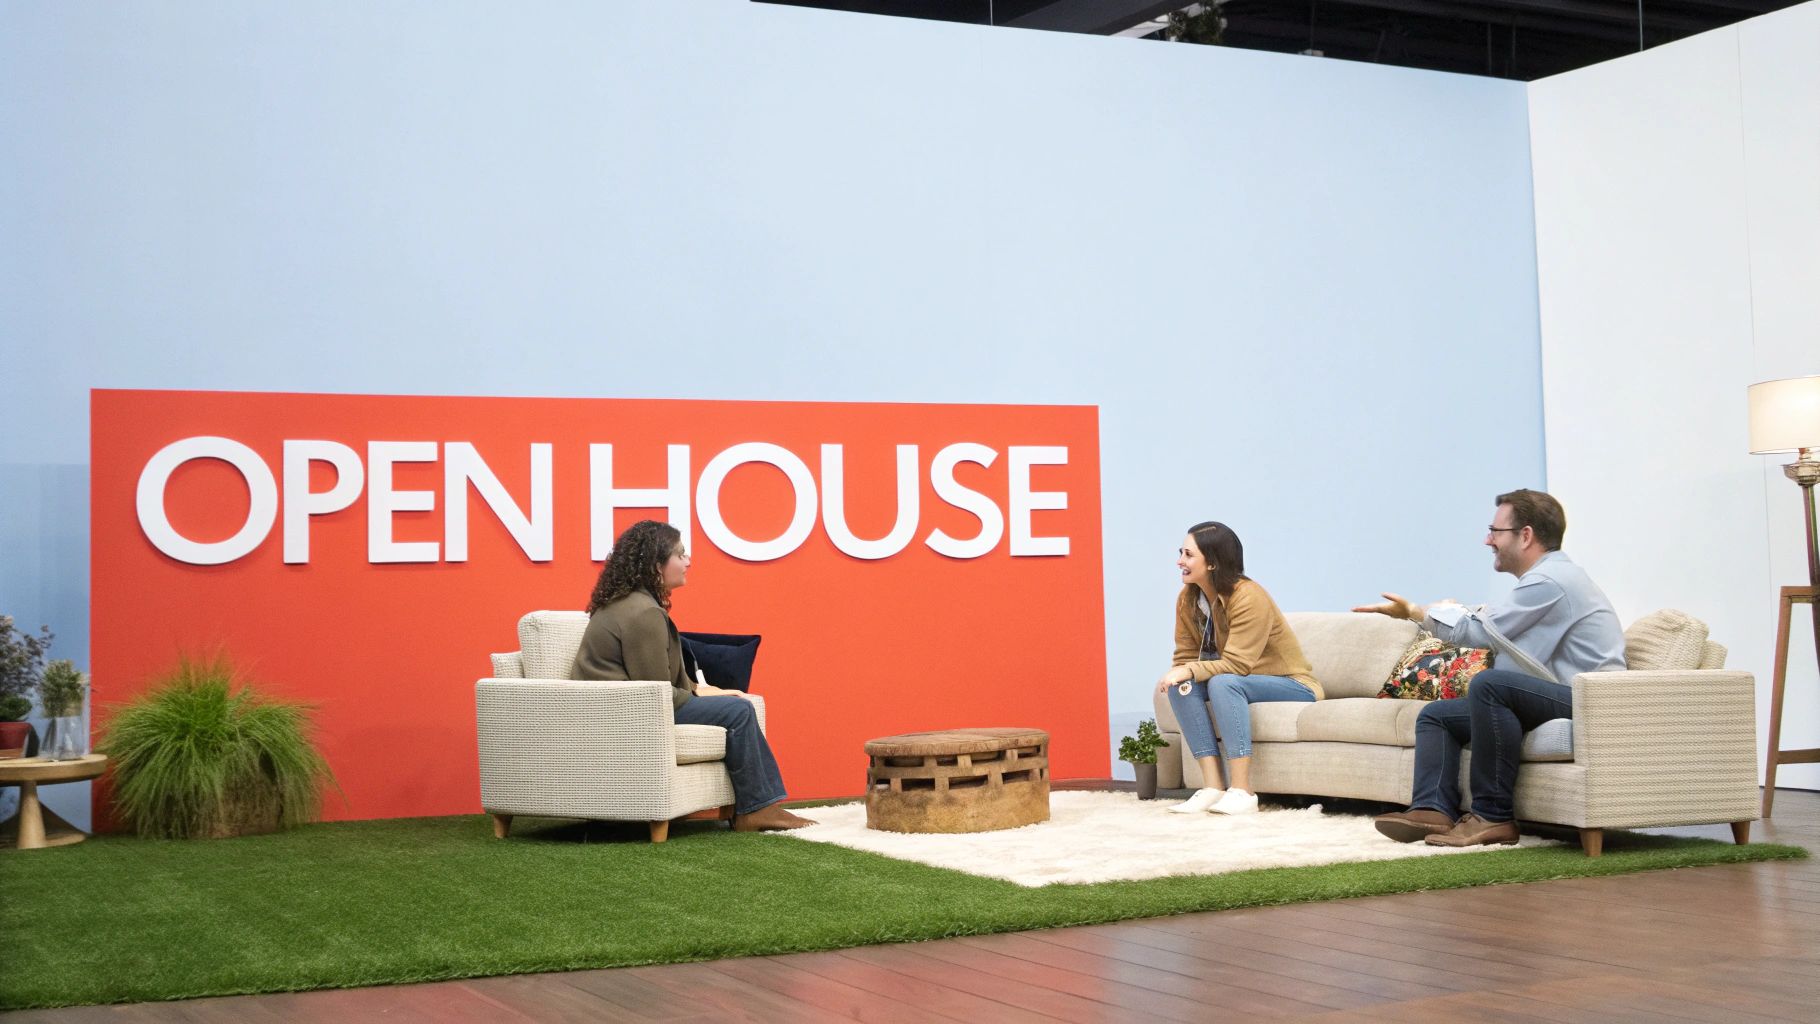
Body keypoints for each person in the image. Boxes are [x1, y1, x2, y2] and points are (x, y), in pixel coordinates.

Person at [1355, 489, 1625, 847]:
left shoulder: (1551, 581)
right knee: (1438, 716)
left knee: (1491, 684)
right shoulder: (1545, 581)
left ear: (1525, 535)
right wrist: (1454, 612)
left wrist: (1417, 612)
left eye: (1495, 531)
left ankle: (1493, 816)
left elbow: (1480, 631)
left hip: (1592, 700)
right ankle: (1432, 809)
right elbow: (1495, 628)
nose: (1488, 540)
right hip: (1562, 693)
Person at [571, 519, 813, 833]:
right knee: (739, 711)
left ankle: (759, 805)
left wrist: (702, 689)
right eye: (680, 554)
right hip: (629, 712)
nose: (688, 561)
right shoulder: (642, 613)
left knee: (733, 702)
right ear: (657, 565)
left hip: (623, 707)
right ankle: (756, 809)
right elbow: (657, 693)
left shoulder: (628, 604)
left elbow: (659, 682)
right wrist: (707, 696)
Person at [1158, 521, 1323, 815]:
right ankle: (1212, 787)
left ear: (1212, 563)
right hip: (1241, 680)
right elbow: (1185, 654)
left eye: (1188, 554)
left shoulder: (1249, 596)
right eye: (1180, 553)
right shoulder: (1188, 599)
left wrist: (1190, 670)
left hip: (1291, 683)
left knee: (1223, 682)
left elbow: (1238, 664)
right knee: (1180, 686)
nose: (1179, 561)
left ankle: (1243, 791)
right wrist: (1182, 673)